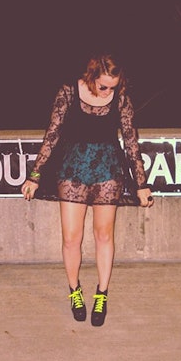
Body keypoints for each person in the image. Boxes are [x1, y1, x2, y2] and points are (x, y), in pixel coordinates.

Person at [21, 53, 153, 327]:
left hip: (108, 171)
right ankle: (75, 291)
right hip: (72, 170)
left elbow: (131, 142)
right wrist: (35, 174)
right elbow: (52, 134)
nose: (108, 91)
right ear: (92, 76)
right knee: (71, 238)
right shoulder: (69, 91)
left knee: (103, 235)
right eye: (104, 86)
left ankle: (102, 293)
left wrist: (141, 184)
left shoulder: (121, 98)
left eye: (113, 86)